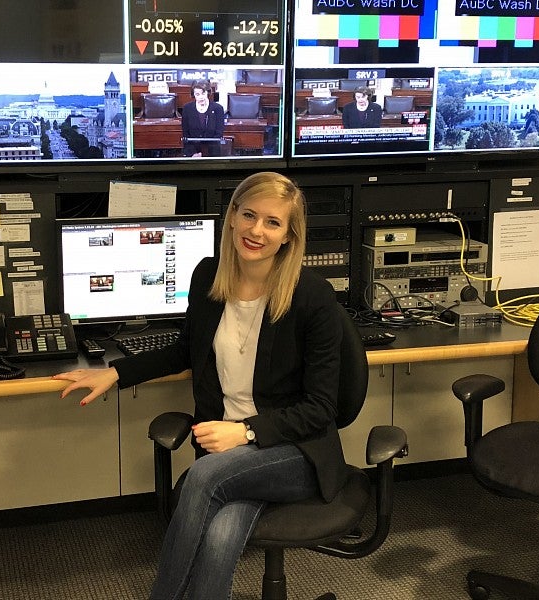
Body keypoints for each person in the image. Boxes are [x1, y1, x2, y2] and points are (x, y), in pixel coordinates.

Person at [53, 171, 346, 600]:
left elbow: (322, 409)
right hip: (227, 450)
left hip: (296, 453)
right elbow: (184, 351)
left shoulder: (312, 296)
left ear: (288, 236)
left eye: (272, 222)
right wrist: (115, 373)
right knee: (222, 532)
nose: (256, 230)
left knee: (204, 477)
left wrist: (245, 431)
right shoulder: (209, 276)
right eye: (248, 215)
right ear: (231, 218)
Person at [181, 79, 225, 157]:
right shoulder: (187, 108)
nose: (201, 97)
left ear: (208, 92)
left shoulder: (218, 108)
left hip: (212, 152)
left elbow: (218, 134)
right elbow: (186, 134)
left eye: (203, 93)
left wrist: (204, 154)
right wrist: (193, 153)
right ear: (193, 94)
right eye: (197, 94)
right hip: (193, 152)